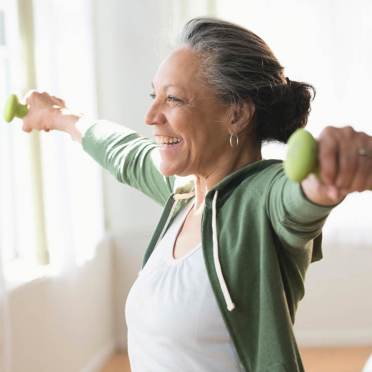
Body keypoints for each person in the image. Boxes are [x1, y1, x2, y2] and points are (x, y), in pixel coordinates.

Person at [22, 17, 372, 372]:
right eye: (153, 95)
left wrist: (333, 169)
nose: (151, 116)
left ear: (236, 115)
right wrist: (59, 117)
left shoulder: (262, 199)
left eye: (173, 99)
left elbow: (298, 197)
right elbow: (124, 153)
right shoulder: (186, 193)